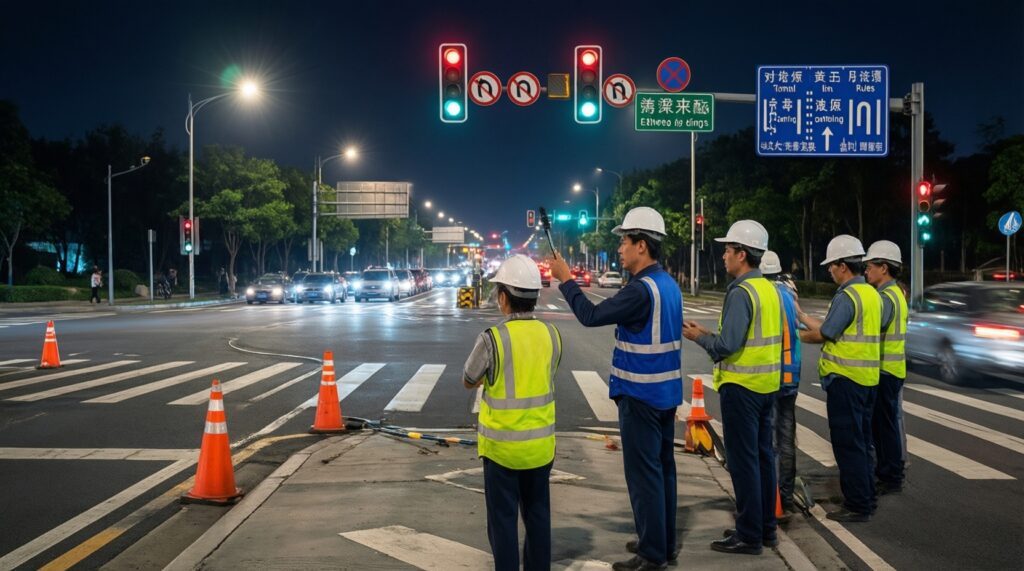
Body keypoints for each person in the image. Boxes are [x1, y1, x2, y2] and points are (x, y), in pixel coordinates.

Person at [549, 206, 682, 571]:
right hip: (666, 393)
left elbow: (590, 316)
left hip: (640, 395)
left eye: (624, 241)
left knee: (643, 477)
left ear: (642, 245)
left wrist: (565, 279)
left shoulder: (640, 290)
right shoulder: (668, 284)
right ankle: (662, 542)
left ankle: (652, 555)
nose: (620, 248)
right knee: (663, 470)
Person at [682, 220, 781, 556]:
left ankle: (749, 534)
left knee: (744, 463)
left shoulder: (741, 291)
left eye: (727, 249)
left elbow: (728, 345)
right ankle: (766, 528)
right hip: (767, 386)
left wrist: (701, 337)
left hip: (742, 388)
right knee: (764, 459)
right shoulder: (768, 288)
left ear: (742, 253)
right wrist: (710, 331)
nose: (723, 255)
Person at [462, 254, 562, 571]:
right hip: (541, 448)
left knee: (503, 522)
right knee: (538, 518)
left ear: (504, 297)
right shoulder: (552, 336)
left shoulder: (493, 339)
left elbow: (468, 379)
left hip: (501, 450)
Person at [796, 235, 881, 522]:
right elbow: (836, 327)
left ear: (843, 265)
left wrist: (795, 337)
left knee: (848, 445)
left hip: (846, 379)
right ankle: (867, 497)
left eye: (831, 266)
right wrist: (803, 316)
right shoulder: (871, 294)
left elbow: (825, 334)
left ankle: (857, 504)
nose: (829, 271)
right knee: (864, 442)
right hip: (868, 379)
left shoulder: (847, 296)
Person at [863, 240, 908, 495]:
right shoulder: (896, 293)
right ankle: (890, 471)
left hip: (885, 371)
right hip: (892, 369)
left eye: (870, 266)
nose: (867, 271)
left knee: (884, 425)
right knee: (885, 424)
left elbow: (872, 327)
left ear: (883, 267)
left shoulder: (886, 298)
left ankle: (890, 475)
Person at [760, 250, 801, 513]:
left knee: (768, 442)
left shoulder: (765, 295)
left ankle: (770, 497)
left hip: (772, 377)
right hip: (791, 376)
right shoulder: (789, 294)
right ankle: (785, 496)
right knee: (787, 439)